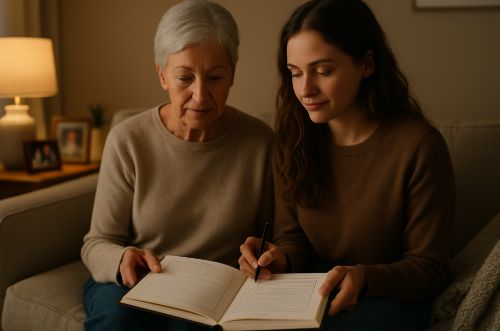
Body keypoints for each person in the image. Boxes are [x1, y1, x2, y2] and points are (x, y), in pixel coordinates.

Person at [238, 0, 455, 330]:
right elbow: (293, 239)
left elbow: (431, 266)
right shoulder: (293, 140)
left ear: (366, 64)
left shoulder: (419, 145)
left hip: (388, 297)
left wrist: (364, 278)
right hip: (317, 288)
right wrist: (279, 257)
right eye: (295, 73)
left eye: (323, 71)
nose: (305, 89)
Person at [81, 1, 274, 330]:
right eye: (185, 78)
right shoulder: (128, 140)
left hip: (215, 288)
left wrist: (265, 255)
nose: (200, 96)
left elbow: (277, 237)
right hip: (141, 280)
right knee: (115, 321)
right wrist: (122, 259)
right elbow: (97, 242)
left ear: (232, 75)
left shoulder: (260, 141)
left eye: (215, 78)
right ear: (162, 75)